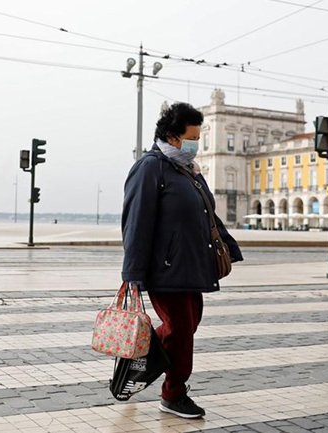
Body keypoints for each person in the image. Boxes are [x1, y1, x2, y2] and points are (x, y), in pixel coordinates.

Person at [121, 102, 243, 419]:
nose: (196, 143)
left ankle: (141, 364)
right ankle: (173, 394)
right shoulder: (151, 167)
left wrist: (228, 245)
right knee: (182, 331)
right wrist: (133, 273)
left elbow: (207, 214)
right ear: (173, 137)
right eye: (192, 136)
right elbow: (136, 221)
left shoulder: (187, 170)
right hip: (166, 269)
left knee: (186, 327)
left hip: (193, 265)